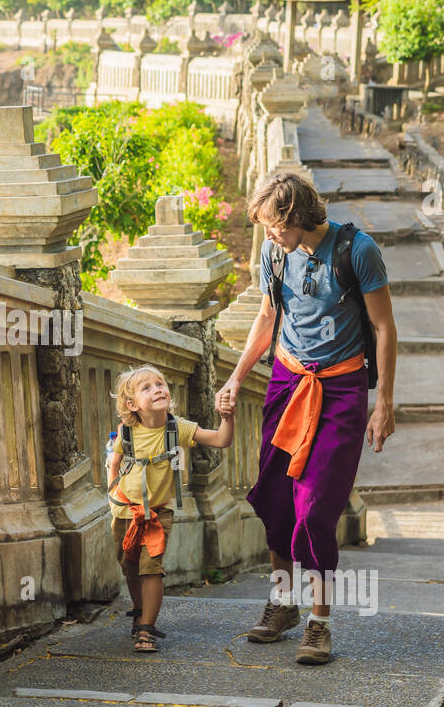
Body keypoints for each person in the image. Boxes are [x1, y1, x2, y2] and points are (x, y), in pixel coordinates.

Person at [216, 170, 397, 665]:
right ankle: (282, 603)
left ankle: (319, 621)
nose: (268, 235)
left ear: (297, 216)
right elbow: (268, 316)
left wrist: (384, 403)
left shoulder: (357, 250)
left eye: (274, 225)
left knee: (316, 508)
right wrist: (236, 376)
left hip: (340, 389)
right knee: (275, 500)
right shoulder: (275, 253)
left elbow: (383, 327)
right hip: (288, 382)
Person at [107, 365, 235, 653]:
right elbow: (115, 464)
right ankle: (140, 613)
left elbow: (221, 440)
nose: (157, 389)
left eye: (160, 384)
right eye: (147, 388)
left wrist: (228, 418)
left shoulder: (179, 429)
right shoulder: (126, 431)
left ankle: (146, 629)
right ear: (132, 405)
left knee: (151, 568)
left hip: (158, 513)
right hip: (125, 511)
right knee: (129, 567)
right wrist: (111, 491)